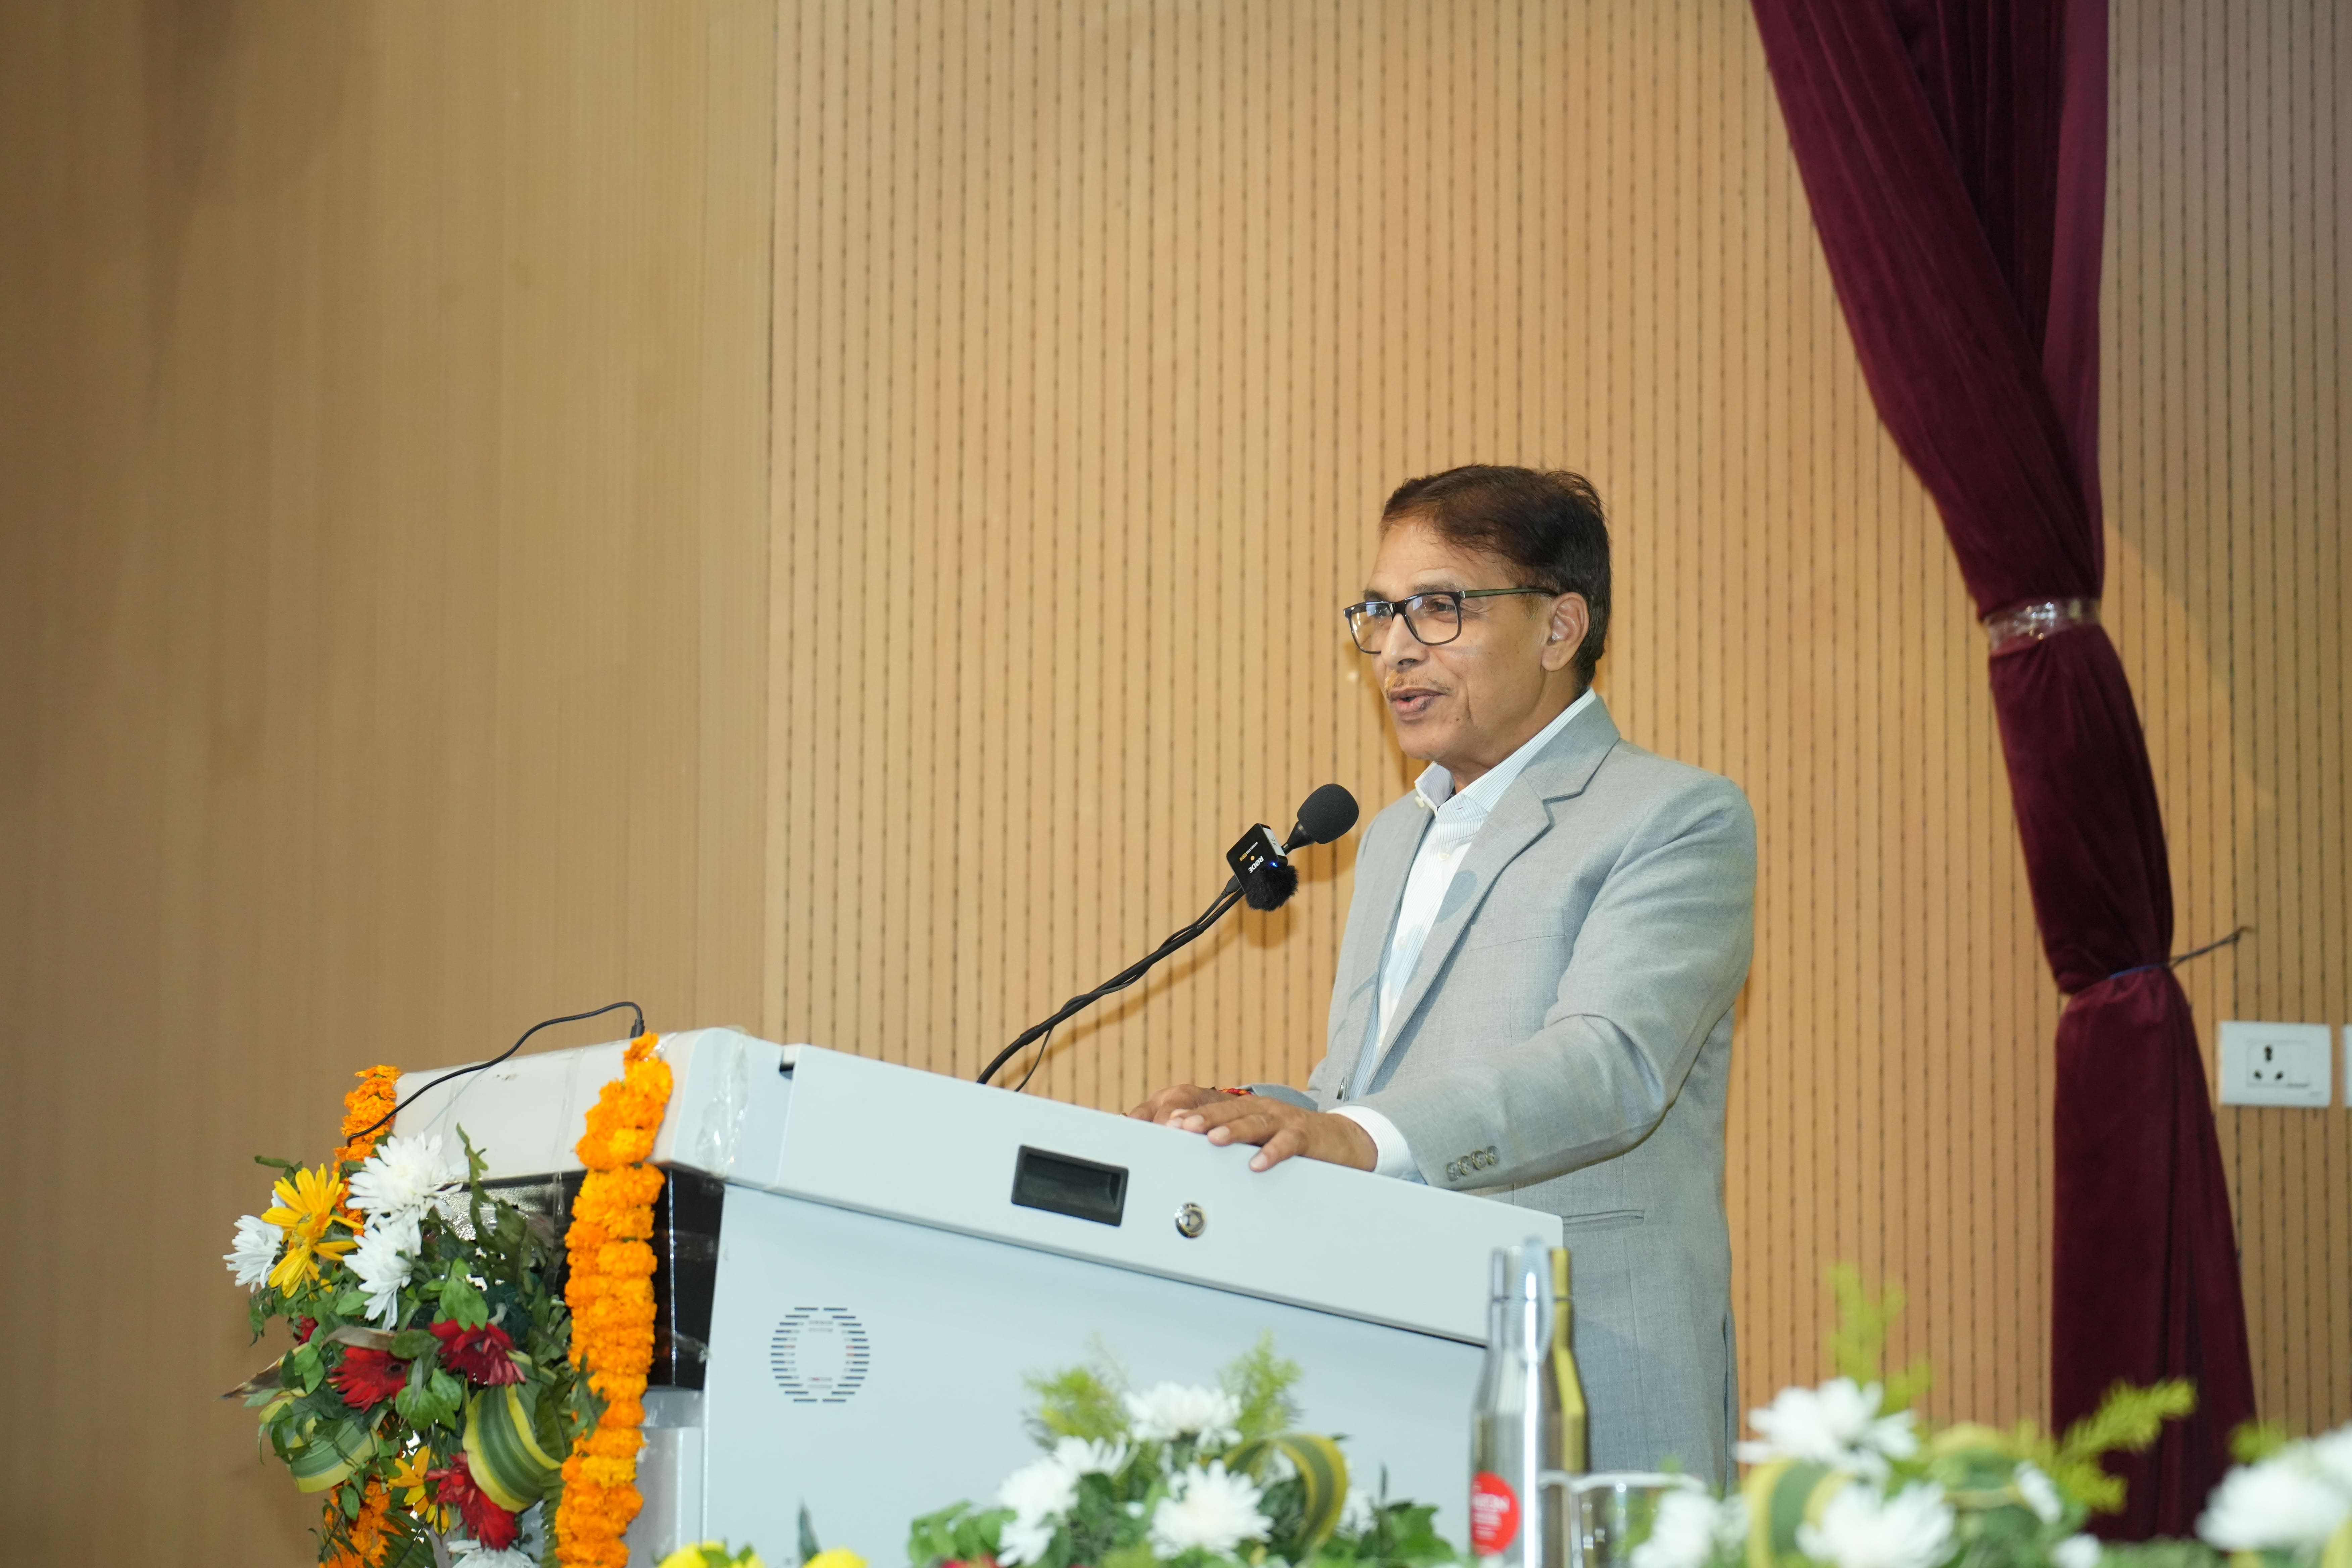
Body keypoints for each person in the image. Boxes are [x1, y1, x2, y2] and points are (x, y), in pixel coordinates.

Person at [1129, 464, 1755, 1483]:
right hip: (1401, 1369)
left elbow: (1614, 1063)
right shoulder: (1392, 837)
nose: (1394, 650)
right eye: (1380, 612)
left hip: (1591, 1368)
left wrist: (1352, 1134)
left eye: (1438, 608)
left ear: (1559, 629)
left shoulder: (1673, 816)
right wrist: (1260, 1114)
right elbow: (1364, 1094)